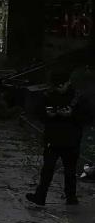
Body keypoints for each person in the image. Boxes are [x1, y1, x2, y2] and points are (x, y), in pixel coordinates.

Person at [26, 70, 92, 206]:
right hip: (53, 138)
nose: (59, 88)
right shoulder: (48, 95)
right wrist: (47, 115)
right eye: (56, 86)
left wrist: (71, 115)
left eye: (62, 85)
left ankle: (71, 198)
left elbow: (88, 117)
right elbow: (37, 112)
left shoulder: (78, 98)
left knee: (70, 171)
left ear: (68, 82)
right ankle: (40, 196)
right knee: (47, 170)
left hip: (71, 139)